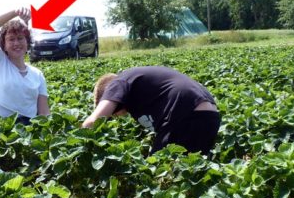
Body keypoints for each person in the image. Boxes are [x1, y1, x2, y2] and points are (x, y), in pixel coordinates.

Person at [81, 66, 221, 156]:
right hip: (209, 117)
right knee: (192, 174)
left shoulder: (118, 83)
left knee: (159, 165)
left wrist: (77, 144)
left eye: (112, 114)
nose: (115, 116)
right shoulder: (138, 93)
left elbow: (92, 122)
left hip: (186, 114)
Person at [0, 8, 50, 125]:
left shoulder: (37, 74)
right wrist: (14, 13)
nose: (16, 43)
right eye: (11, 39)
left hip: (28, 132)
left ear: (27, 42)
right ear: (4, 45)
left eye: (20, 38)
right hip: (1, 130)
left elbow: (44, 112)